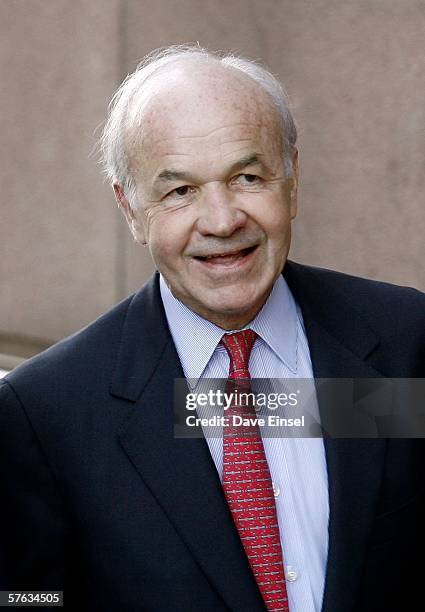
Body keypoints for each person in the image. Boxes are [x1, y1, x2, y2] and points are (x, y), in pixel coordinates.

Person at [0, 45, 424, 612]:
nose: (222, 221)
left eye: (248, 177)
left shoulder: (404, 343)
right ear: (130, 209)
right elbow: (27, 599)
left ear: (293, 179)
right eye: (180, 191)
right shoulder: (45, 412)